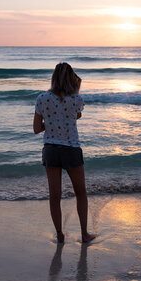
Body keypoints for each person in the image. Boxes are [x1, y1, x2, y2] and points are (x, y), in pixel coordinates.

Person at [33, 62, 96, 244]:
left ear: (53, 78)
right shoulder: (76, 99)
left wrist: (51, 123)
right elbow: (77, 115)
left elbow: (37, 129)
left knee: (54, 195)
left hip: (51, 150)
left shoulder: (42, 98)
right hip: (71, 149)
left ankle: (60, 235)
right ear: (72, 80)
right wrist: (76, 89)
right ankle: (84, 234)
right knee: (81, 192)